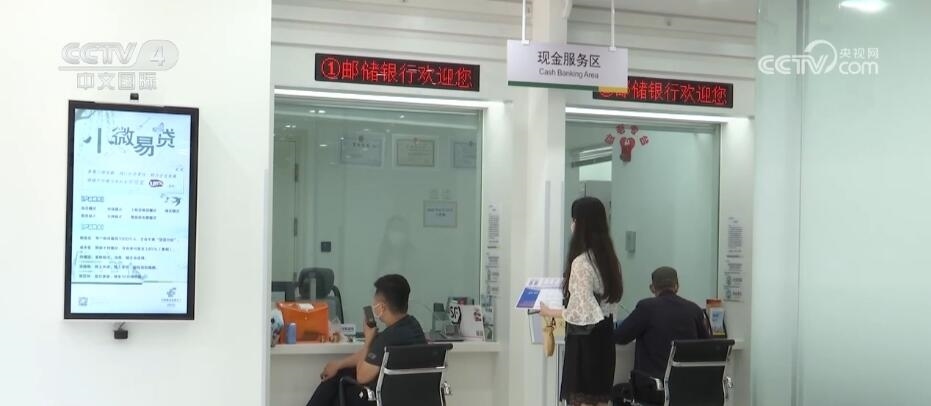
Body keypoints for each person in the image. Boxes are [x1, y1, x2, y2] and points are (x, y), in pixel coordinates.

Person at [540, 197, 624, 406]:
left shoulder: (581, 262)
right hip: (605, 339)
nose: (572, 224)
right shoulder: (609, 261)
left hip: (584, 342)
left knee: (581, 399)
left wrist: (550, 311)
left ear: (581, 224)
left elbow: (582, 310)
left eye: (574, 220)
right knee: (600, 400)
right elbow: (606, 306)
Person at [306, 274, 426, 406]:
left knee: (338, 387)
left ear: (382, 307)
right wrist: (339, 364)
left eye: (375, 304)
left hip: (381, 399)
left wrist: (368, 340)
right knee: (340, 374)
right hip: (410, 397)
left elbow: (362, 376)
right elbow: (372, 357)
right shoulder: (413, 327)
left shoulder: (388, 338)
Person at [612, 267, 711, 404]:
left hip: (654, 388)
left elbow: (620, 337)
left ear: (652, 288)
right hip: (687, 387)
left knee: (618, 392)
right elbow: (707, 345)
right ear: (677, 286)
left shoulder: (646, 307)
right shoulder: (694, 309)